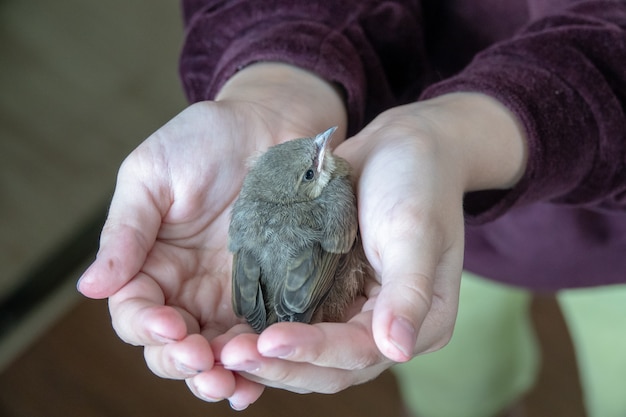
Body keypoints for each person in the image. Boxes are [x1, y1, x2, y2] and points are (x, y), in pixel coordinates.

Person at [77, 0, 626, 416]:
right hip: (413, 238)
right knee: (455, 384)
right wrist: (279, 81)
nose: (322, 147)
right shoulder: (334, 186)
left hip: (608, 244)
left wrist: (453, 138)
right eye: (314, 166)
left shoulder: (341, 189)